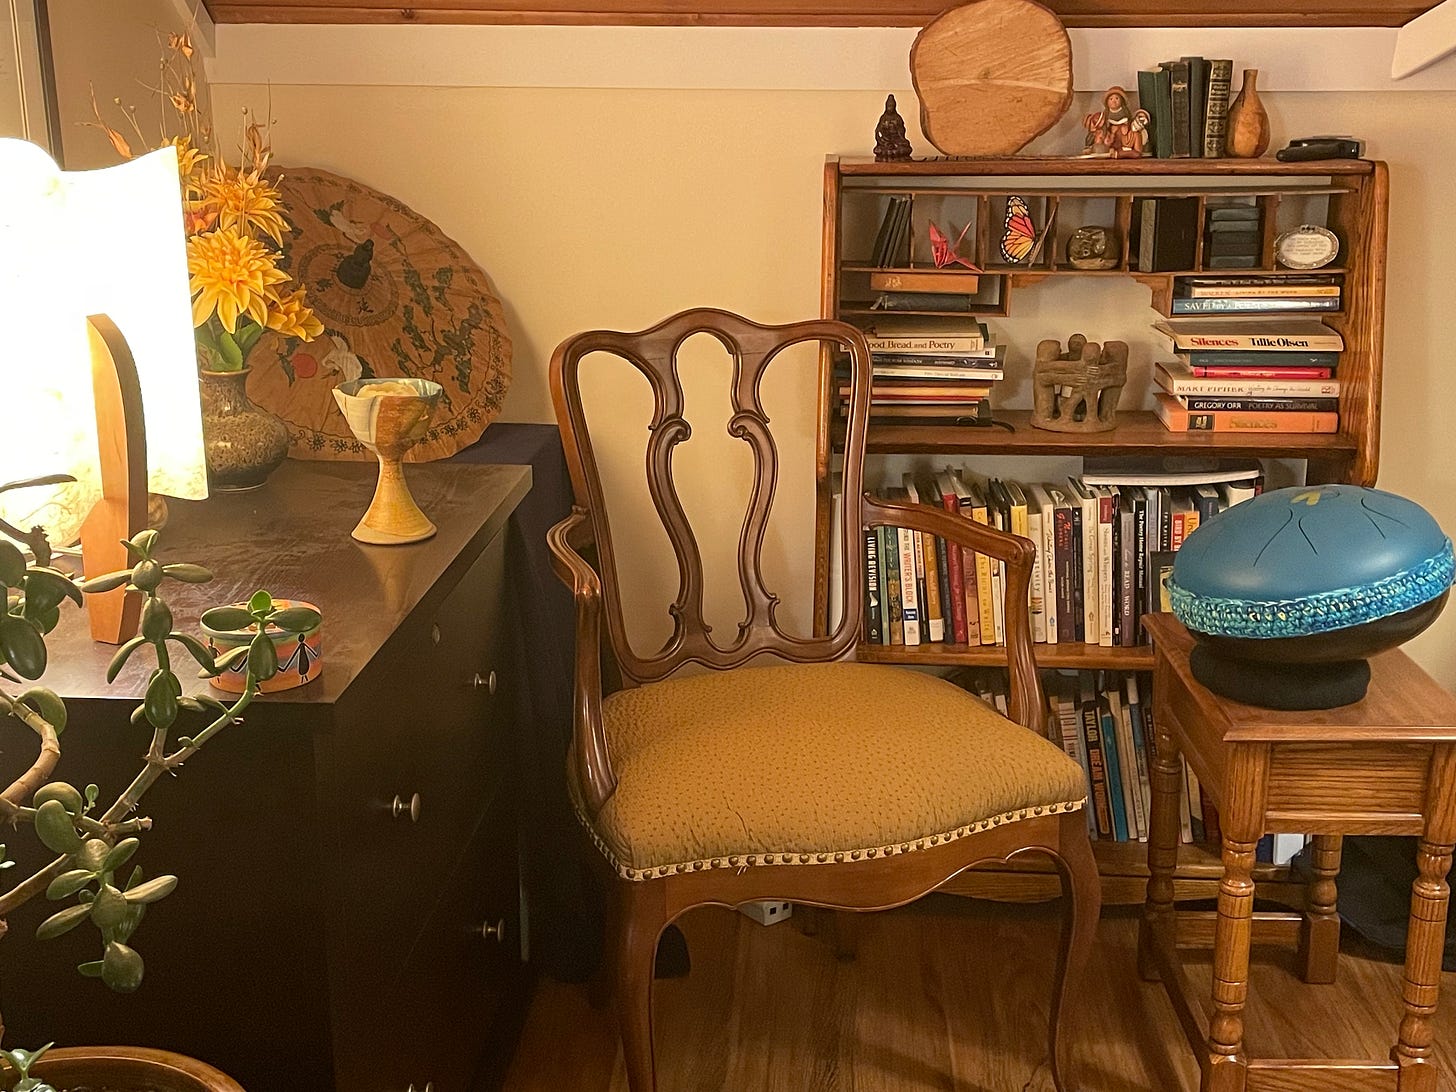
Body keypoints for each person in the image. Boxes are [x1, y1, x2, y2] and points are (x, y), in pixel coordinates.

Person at [1083, 86, 1150, 158]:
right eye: (1111, 99)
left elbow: (1130, 121)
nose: (1114, 101)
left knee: (1134, 135)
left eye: (1117, 98)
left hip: (1125, 135)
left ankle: (1125, 151)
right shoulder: (1106, 115)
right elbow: (1102, 127)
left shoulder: (1125, 113)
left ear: (1121, 101)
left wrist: (1126, 127)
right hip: (1111, 138)